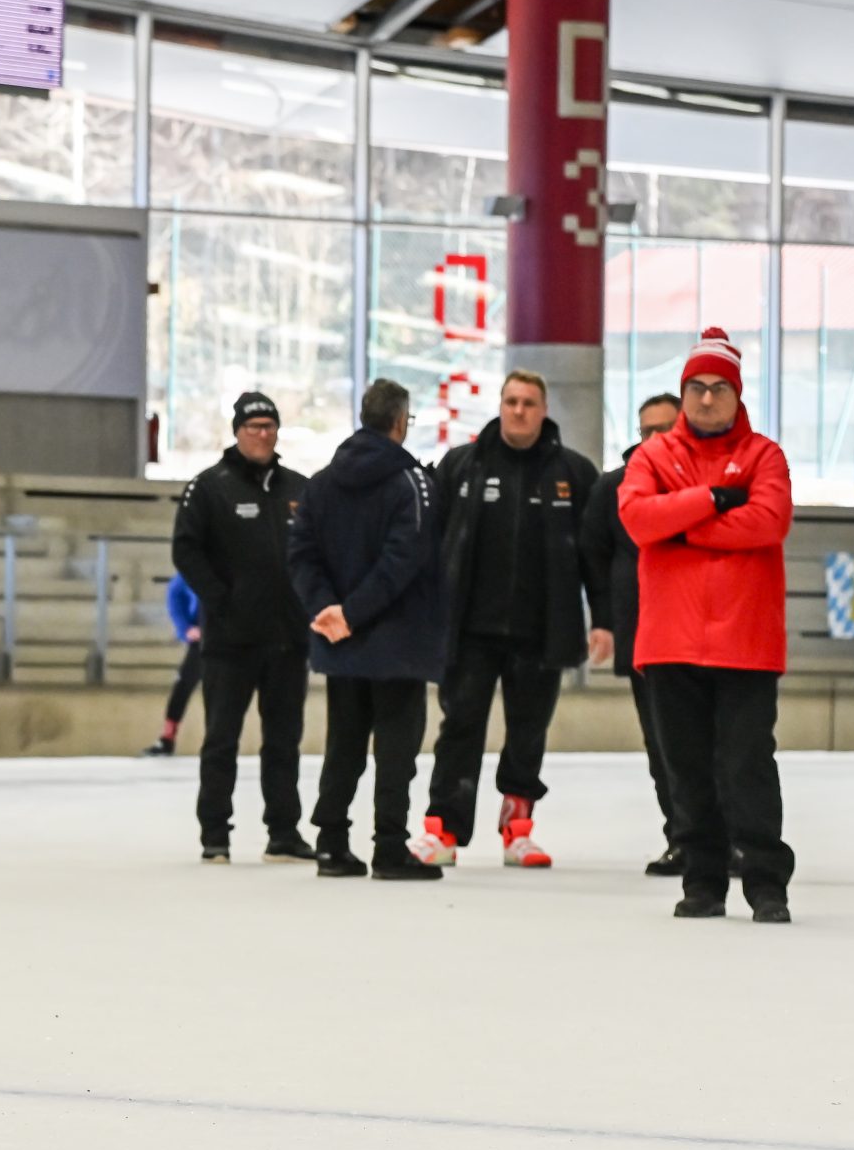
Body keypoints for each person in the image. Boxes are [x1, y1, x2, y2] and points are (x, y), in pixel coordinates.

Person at [618, 328, 795, 924]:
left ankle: (767, 883)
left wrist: (686, 523)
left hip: (746, 642)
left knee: (748, 765)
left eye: (719, 388)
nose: (707, 399)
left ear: (737, 395)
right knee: (687, 768)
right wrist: (717, 499)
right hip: (671, 641)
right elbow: (639, 519)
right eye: (697, 387)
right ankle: (703, 882)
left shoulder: (766, 456)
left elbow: (768, 522)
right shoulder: (652, 455)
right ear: (683, 391)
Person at [410, 371, 605, 870]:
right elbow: (428, 545)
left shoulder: (574, 473)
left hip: (542, 632)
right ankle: (444, 830)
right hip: (470, 630)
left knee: (528, 733)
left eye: (529, 403)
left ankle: (518, 830)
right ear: (500, 406)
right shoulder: (463, 465)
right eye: (511, 401)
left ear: (544, 409)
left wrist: (604, 619)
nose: (519, 411)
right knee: (460, 729)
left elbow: (595, 557)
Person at [286, 379, 447, 881]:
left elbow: (301, 554)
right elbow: (404, 561)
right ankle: (390, 847)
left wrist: (328, 610)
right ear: (400, 422)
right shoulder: (411, 483)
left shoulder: (319, 484)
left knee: (345, 744)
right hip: (398, 643)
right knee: (396, 750)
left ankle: (332, 842)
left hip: (341, 641)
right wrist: (353, 612)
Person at [170, 392, 314, 863]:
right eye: (254, 426)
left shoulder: (299, 488)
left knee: (283, 742)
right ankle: (215, 835)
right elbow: (186, 550)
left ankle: (284, 833)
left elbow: (318, 553)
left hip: (288, 640)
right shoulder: (210, 487)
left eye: (270, 425)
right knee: (221, 740)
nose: (263, 434)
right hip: (231, 641)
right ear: (237, 431)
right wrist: (221, 601)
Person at [580, 391, 682, 875]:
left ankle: (729, 839)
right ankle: (683, 837)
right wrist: (604, 622)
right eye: (648, 431)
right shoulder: (614, 487)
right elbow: (594, 559)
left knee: (718, 745)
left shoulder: (700, 484)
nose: (657, 440)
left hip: (701, 634)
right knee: (663, 744)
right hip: (645, 637)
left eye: (667, 429)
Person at [141, 572, 202, 758]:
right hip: (203, 638)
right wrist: (185, 629)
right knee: (183, 684)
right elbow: (175, 598)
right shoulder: (188, 572)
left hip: (227, 634)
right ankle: (167, 737)